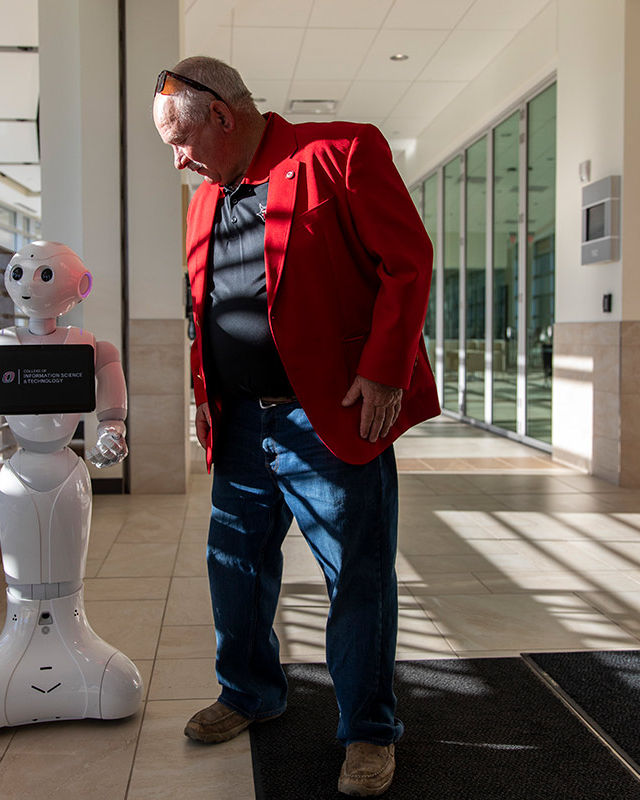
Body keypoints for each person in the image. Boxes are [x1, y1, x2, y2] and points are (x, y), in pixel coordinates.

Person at [152, 56, 439, 797]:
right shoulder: (202, 201)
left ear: (222, 114)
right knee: (236, 568)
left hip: (330, 415)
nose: (178, 161)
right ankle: (250, 692)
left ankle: (369, 733)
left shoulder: (340, 152)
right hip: (242, 421)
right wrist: (203, 396)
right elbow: (204, 311)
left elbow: (407, 262)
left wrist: (384, 368)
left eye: (181, 142)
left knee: (357, 579)